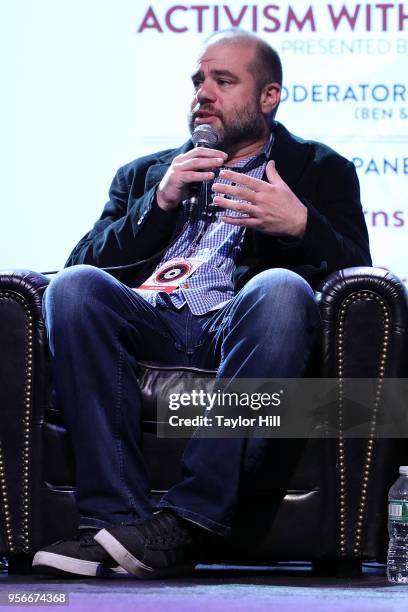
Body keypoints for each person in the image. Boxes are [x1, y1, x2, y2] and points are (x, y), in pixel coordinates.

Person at [32, 30, 371, 578]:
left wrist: (302, 226)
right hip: (154, 320)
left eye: (223, 81)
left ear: (268, 97)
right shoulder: (145, 173)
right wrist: (158, 202)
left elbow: (359, 274)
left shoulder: (318, 169)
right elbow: (81, 259)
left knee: (281, 288)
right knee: (74, 287)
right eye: (198, 81)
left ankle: (187, 519)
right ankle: (116, 524)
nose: (203, 94)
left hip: (242, 326)